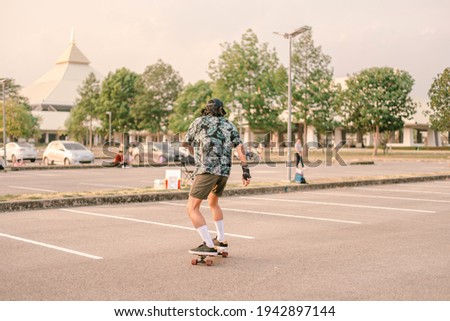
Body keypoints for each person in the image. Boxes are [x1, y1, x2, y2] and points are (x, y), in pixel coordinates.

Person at [183, 98, 251, 256]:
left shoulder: (199, 122)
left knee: (192, 208)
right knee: (213, 203)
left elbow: (186, 143)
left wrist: (197, 157)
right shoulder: (229, 124)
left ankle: (208, 244)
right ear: (221, 110)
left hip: (207, 170)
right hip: (224, 171)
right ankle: (220, 239)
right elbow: (240, 147)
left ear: (206, 109)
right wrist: (245, 170)